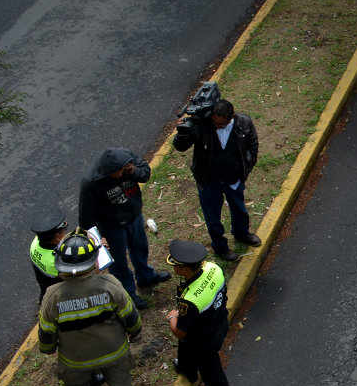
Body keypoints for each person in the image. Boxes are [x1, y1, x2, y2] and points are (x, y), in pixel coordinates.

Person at [39, 229, 145, 386]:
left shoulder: (53, 296)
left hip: (75, 363)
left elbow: (46, 338)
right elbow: (132, 319)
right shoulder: (110, 285)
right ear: (94, 261)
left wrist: (49, 349)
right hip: (115, 354)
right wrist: (134, 331)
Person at [79, 147, 170, 309]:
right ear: (108, 171)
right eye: (118, 173)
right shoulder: (91, 182)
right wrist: (96, 238)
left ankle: (146, 277)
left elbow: (146, 174)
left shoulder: (127, 160)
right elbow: (86, 216)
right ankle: (128, 293)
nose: (121, 175)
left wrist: (134, 171)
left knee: (141, 249)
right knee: (118, 263)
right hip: (111, 227)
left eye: (124, 170)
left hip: (134, 217)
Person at [173, 98, 261, 262]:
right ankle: (221, 247)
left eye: (221, 125)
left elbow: (253, 145)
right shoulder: (202, 124)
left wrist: (246, 169)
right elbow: (180, 147)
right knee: (213, 218)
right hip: (209, 180)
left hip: (233, 179)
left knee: (240, 210)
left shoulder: (244, 122)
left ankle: (242, 234)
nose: (216, 127)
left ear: (231, 117)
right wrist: (181, 133)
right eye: (214, 123)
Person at [165, 240, 237, 386]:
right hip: (218, 322)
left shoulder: (190, 300)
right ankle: (187, 368)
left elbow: (180, 332)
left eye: (177, 266)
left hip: (205, 340)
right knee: (187, 346)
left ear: (185, 270)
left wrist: (172, 318)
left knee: (212, 374)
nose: (175, 268)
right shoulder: (214, 268)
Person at [29, 208, 70, 300]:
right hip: (59, 296)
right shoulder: (58, 260)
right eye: (64, 230)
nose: (66, 232)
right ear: (57, 237)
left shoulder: (35, 243)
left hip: (45, 288)